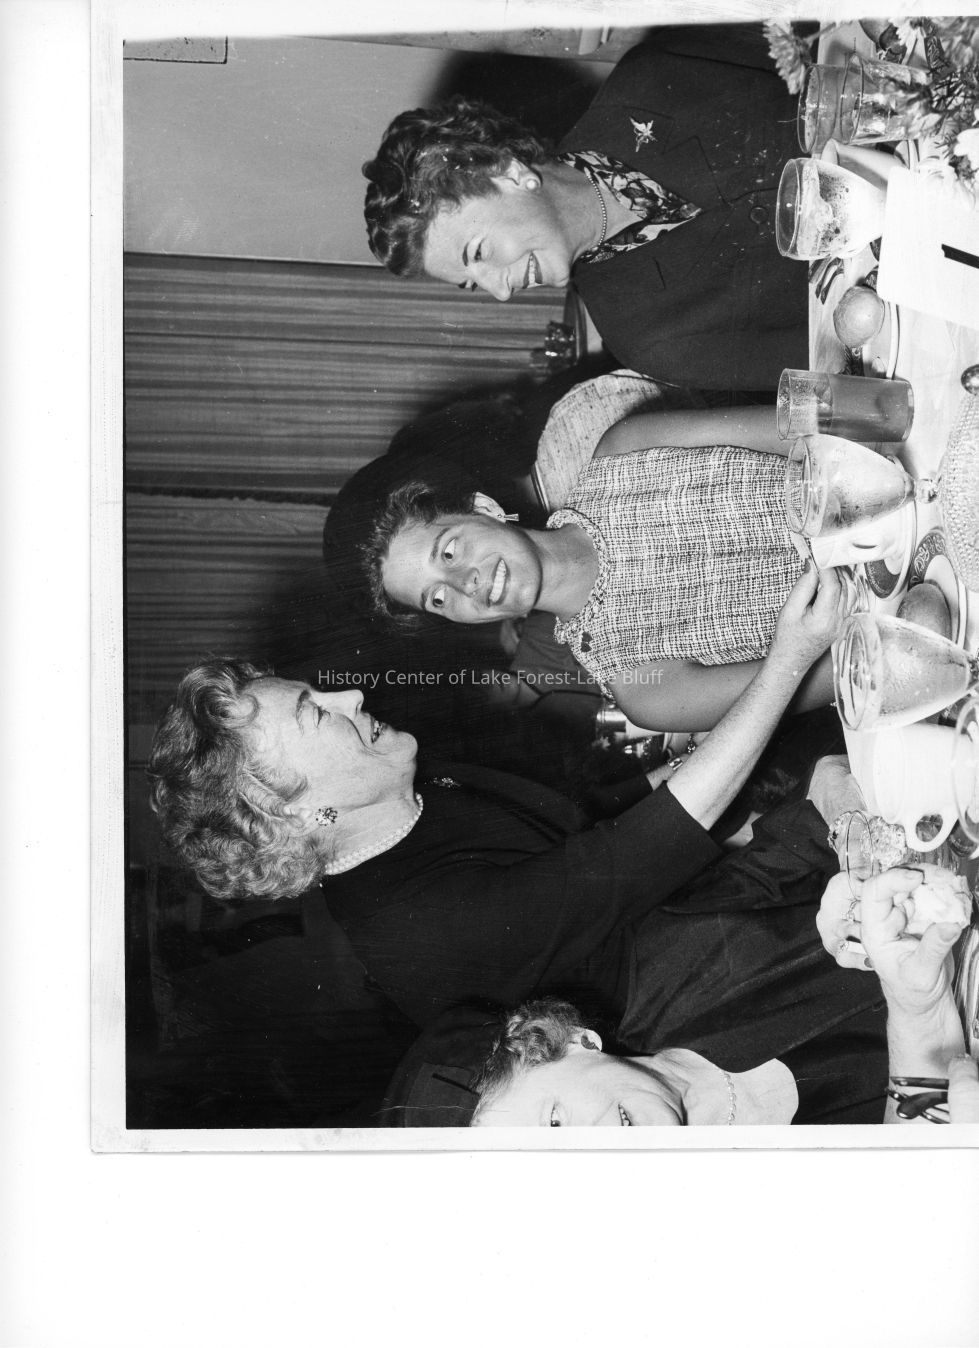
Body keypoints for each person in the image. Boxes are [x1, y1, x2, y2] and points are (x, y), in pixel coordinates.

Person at [147, 565, 846, 1028]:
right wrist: (789, 658)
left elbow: (591, 819)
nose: (350, 694)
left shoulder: (408, 794)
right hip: (747, 989)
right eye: (315, 712)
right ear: (294, 814)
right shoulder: (418, 928)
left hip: (725, 900)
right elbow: (640, 849)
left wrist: (708, 755)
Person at [362, 25, 808, 393]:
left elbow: (824, 37)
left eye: (478, 253)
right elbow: (834, 372)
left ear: (509, 173)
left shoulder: (655, 77)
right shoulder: (648, 339)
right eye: (473, 285)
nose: (500, 292)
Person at [366, 404, 830, 731]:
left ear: (484, 509)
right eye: (437, 598)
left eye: (448, 552)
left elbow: (821, 422)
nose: (464, 584)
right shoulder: (644, 689)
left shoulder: (627, 452)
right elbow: (843, 674)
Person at [471, 861, 977, 1127]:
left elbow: (826, 791)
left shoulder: (676, 952)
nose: (588, 1155)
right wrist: (920, 1007)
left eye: (555, 1123)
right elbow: (925, 1169)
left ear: (575, 1041)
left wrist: (860, 865)